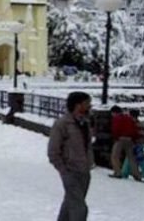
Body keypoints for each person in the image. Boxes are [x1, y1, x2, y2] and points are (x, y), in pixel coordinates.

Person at [47, 91, 93, 221]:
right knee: (79, 207)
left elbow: (87, 145)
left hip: (84, 171)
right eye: (87, 103)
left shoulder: (85, 123)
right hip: (70, 171)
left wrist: (89, 163)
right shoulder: (62, 124)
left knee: (71, 202)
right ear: (78, 105)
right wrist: (63, 169)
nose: (90, 106)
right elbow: (53, 151)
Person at [110, 105, 142, 181]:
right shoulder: (128, 118)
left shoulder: (116, 118)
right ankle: (137, 175)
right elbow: (134, 129)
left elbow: (115, 129)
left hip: (120, 139)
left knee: (115, 156)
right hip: (130, 139)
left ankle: (117, 172)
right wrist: (133, 138)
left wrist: (116, 137)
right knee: (131, 158)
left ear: (114, 112)